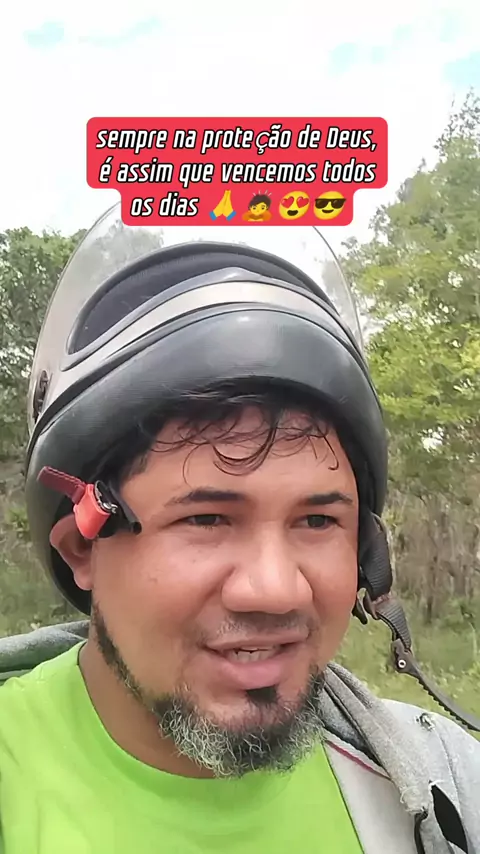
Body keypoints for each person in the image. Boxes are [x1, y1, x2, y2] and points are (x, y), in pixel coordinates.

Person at [0, 208, 478, 854]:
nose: (276, 590)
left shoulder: (444, 788)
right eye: (206, 519)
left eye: (317, 520)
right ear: (83, 546)